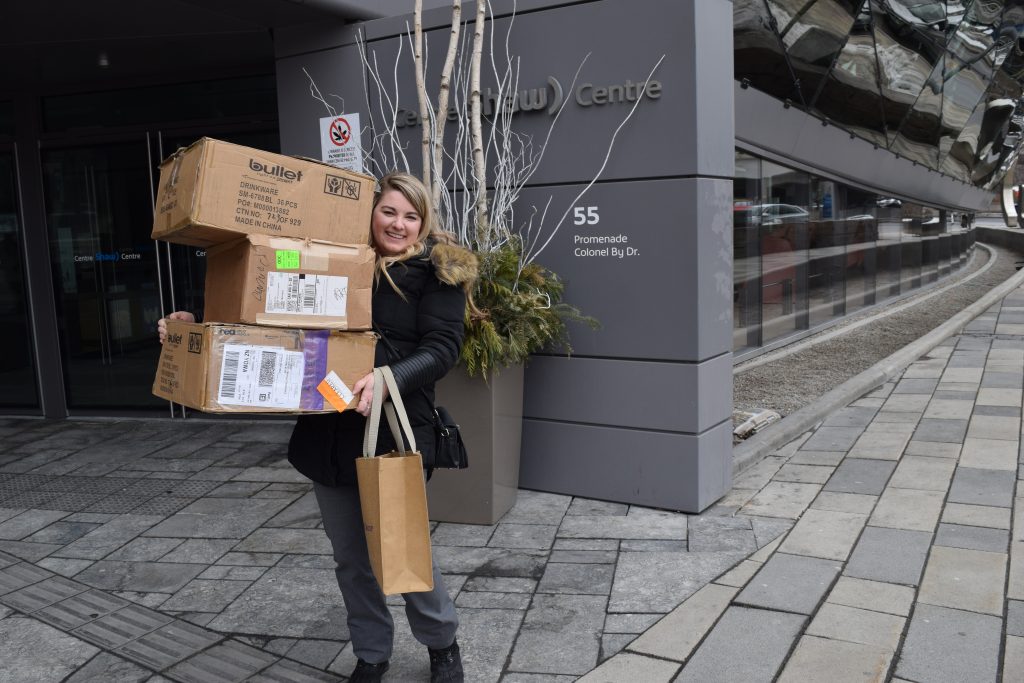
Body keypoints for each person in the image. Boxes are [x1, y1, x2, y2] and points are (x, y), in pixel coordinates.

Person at [158, 172, 477, 683]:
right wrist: (195, 325)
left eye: (411, 216)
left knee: (403, 551)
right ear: (371, 213)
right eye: (389, 211)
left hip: (390, 433)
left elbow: (442, 348)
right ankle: (372, 653)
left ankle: (442, 644)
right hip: (327, 434)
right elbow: (265, 315)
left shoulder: (435, 275)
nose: (398, 224)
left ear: (423, 224)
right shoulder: (328, 260)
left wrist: (387, 377)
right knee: (352, 559)